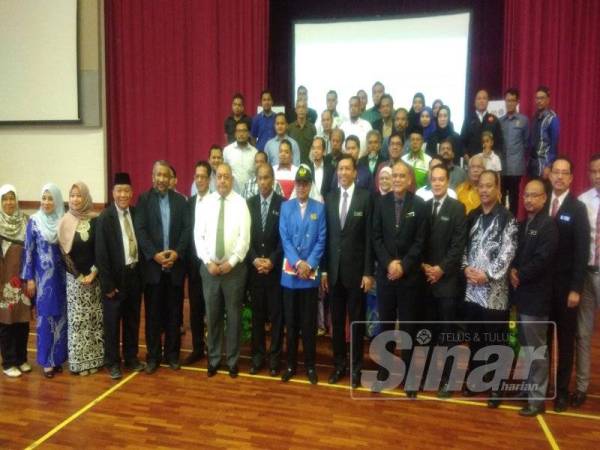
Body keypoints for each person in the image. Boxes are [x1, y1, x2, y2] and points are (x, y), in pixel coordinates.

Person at [371, 161, 428, 396]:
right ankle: (384, 374)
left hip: (409, 278)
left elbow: (420, 241)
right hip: (386, 277)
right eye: (394, 176)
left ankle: (410, 379)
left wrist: (403, 265)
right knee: (385, 326)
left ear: (409, 179)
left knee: (408, 328)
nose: (396, 179)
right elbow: (375, 238)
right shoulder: (380, 203)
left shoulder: (420, 205)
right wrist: (389, 263)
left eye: (401, 176)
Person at [463, 170, 517, 407]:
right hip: (472, 290)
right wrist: (465, 268)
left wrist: (487, 275)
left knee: (496, 341)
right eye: (481, 186)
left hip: (495, 293)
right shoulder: (472, 216)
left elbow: (508, 252)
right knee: (475, 338)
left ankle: (497, 387)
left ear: (497, 188)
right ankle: (476, 379)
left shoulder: (507, 218)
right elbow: (463, 246)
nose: (484, 190)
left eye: (489, 186)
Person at [322, 155, 374, 388]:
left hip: (356, 274)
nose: (343, 173)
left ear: (355, 173)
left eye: (347, 169)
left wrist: (368, 272)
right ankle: (339, 365)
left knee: (356, 322)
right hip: (333, 273)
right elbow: (327, 238)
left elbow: (369, 240)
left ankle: (356, 368)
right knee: (336, 321)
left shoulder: (366, 198)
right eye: (340, 169)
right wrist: (323, 270)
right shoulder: (330, 198)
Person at [195, 163, 250, 378]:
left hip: (233, 271)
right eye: (219, 177)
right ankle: (215, 358)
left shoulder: (240, 203)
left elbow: (244, 239)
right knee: (213, 315)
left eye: (226, 177)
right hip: (209, 269)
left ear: (232, 179)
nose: (223, 181)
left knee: (234, 317)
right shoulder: (205, 203)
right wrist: (208, 261)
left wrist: (232, 262)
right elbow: (198, 236)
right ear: (214, 179)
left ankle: (233, 360)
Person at [135, 161, 190, 374]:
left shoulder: (180, 201)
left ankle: (173, 355)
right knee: (153, 316)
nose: (161, 179)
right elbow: (140, 231)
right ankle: (153, 357)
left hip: (175, 267)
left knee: (174, 315)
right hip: (153, 269)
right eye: (158, 175)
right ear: (152, 177)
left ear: (171, 179)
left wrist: (176, 253)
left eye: (165, 176)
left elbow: (187, 230)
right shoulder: (144, 200)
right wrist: (155, 256)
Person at [510, 179, 558, 416]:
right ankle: (529, 389)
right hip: (523, 296)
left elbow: (542, 259)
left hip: (537, 297)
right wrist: (513, 270)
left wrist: (520, 274)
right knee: (526, 347)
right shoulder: (524, 223)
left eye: (534, 195)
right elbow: (517, 254)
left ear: (544, 198)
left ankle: (537, 400)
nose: (528, 199)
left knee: (537, 349)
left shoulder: (548, 225)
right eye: (526, 195)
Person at [545, 157, 589, 412]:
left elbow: (582, 252)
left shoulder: (577, 208)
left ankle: (561, 391)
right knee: (543, 340)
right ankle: (544, 385)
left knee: (565, 341)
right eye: (556, 172)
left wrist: (576, 288)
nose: (560, 177)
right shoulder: (541, 203)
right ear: (550, 176)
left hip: (566, 290)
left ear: (571, 178)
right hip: (542, 289)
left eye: (565, 173)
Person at [421, 165, 467, 397]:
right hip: (427, 281)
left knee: (448, 333)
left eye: (441, 180)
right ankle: (431, 375)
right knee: (429, 332)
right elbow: (419, 242)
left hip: (447, 282)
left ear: (448, 181)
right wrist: (424, 266)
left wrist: (440, 269)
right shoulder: (425, 207)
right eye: (434, 180)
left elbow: (458, 246)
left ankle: (448, 379)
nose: (437, 183)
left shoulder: (457, 208)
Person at [279, 164, 326, 384]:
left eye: (306, 183)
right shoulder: (286, 207)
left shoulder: (320, 208)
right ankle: (290, 364)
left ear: (310, 185)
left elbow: (321, 239)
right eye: (299, 183)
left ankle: (310, 366)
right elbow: (284, 238)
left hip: (309, 277)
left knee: (308, 325)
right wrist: (298, 262)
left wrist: (309, 264)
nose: (302, 187)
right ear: (295, 184)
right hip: (290, 276)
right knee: (291, 323)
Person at [95, 173, 145, 379]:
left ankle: (131, 358)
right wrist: (107, 285)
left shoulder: (136, 213)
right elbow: (101, 254)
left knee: (132, 320)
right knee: (113, 323)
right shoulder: (104, 218)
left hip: (134, 275)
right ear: (113, 193)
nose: (123, 195)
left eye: (127, 191)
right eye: (119, 191)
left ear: (132, 193)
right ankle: (112, 362)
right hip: (115, 280)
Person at [58, 182, 104, 375]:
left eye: (79, 195)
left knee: (94, 320)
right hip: (75, 280)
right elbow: (64, 253)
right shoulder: (65, 221)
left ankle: (95, 360)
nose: (75, 199)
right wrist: (79, 276)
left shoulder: (96, 219)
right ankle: (79, 363)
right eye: (72, 195)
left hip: (95, 279)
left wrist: (93, 273)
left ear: (86, 197)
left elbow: (101, 249)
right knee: (78, 322)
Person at [22, 183, 67, 378]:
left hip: (62, 279)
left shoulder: (63, 220)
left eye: (50, 199)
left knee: (61, 319)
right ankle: (46, 361)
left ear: (57, 201)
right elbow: (28, 251)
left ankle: (58, 359)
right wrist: (30, 278)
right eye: (44, 198)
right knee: (45, 319)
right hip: (43, 281)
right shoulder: (34, 221)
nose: (47, 202)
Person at [247, 163, 284, 376]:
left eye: (267, 178)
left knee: (277, 317)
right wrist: (253, 260)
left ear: (273, 179)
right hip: (255, 271)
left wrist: (272, 260)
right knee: (257, 317)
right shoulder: (249, 204)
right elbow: (245, 237)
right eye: (260, 178)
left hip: (274, 270)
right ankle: (258, 357)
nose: (263, 182)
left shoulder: (283, 204)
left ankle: (274, 358)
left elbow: (284, 239)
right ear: (256, 180)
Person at [574, 153, 600, 408]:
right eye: (593, 171)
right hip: (586, 273)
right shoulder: (583, 202)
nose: (597, 176)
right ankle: (581, 386)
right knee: (582, 334)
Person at [0, 185, 31, 378]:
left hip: (23, 278)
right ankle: (8, 362)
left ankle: (22, 359)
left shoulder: (26, 221)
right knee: (6, 321)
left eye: (12, 198)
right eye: (5, 199)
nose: (9, 202)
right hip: (4, 281)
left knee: (22, 320)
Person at [184, 161, 212, 366]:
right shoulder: (189, 203)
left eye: (203, 176)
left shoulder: (216, 202)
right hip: (193, 267)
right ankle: (197, 347)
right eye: (197, 176)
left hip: (212, 265)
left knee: (212, 309)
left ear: (209, 179)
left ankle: (214, 348)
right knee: (195, 309)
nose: (200, 180)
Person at [500, 88, 529, 215]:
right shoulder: (500, 121)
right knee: (500, 197)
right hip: (501, 166)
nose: (509, 103)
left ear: (517, 102)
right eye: (507, 100)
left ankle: (513, 224)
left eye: (512, 100)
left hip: (516, 167)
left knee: (514, 198)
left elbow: (527, 143)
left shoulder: (524, 120)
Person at [461, 89, 504, 158]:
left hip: (490, 161)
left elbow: (499, 142)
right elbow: (462, 141)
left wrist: (495, 157)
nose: (481, 101)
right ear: (474, 102)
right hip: (473, 162)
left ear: (488, 102)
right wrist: (465, 155)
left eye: (484, 98)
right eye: (479, 98)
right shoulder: (468, 119)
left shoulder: (494, 120)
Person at [529, 86, 560, 179]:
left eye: (542, 98)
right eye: (537, 98)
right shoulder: (535, 117)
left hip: (544, 164)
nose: (539, 101)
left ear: (548, 100)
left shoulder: (552, 119)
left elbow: (554, 145)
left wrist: (548, 165)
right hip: (532, 164)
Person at [224, 121, 258, 194]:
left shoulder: (255, 152)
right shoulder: (227, 151)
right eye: (239, 131)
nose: (241, 134)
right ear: (235, 133)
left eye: (244, 131)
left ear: (248, 133)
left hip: (250, 194)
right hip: (231, 194)